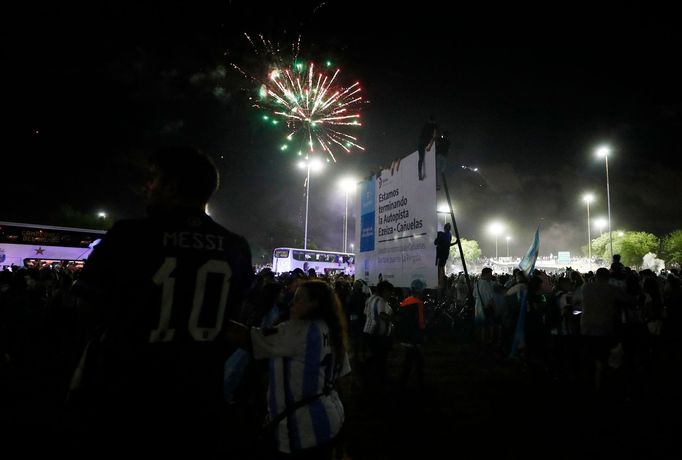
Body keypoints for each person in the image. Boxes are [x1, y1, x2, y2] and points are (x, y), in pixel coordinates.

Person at [68, 145, 253, 457]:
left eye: (153, 179)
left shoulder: (129, 235)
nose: (147, 187)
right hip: (200, 399)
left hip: (128, 396)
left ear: (171, 186)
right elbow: (233, 311)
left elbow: (85, 308)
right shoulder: (236, 247)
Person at [226, 280, 350, 459]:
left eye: (299, 299)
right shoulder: (332, 330)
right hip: (332, 418)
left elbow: (249, 339)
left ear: (314, 304)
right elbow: (344, 379)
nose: (292, 303)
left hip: (303, 428)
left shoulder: (298, 331)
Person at [397, 279, 426, 389]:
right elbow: (421, 323)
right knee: (418, 363)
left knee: (408, 362)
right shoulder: (418, 303)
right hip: (415, 339)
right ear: (419, 290)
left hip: (405, 337)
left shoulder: (405, 301)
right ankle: (419, 385)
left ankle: (402, 384)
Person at [434, 223, 458, 291]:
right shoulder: (445, 235)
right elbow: (445, 244)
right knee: (441, 268)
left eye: (448, 227)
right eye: (448, 227)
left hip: (442, 253)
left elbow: (437, 243)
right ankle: (440, 284)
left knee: (440, 268)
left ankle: (440, 284)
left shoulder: (444, 234)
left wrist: (455, 243)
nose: (448, 229)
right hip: (443, 254)